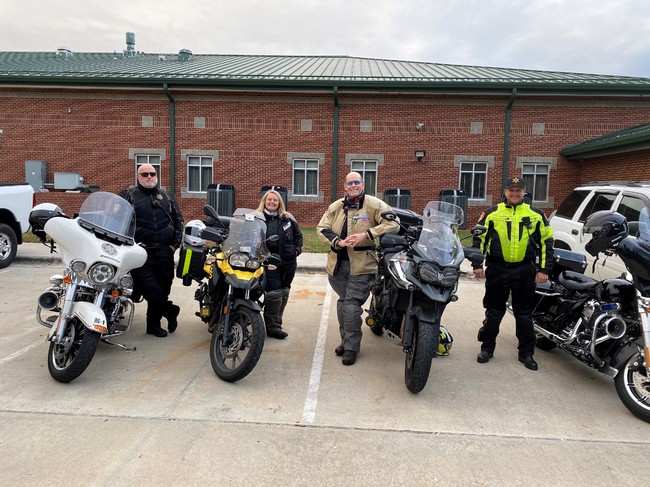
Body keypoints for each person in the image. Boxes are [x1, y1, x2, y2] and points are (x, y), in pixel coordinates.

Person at [471, 176, 554, 370]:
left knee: (524, 314)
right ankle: (487, 348)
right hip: (497, 268)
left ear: (524, 192)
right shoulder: (492, 213)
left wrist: (544, 269)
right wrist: (477, 264)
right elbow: (478, 239)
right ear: (505, 192)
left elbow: (546, 243)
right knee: (494, 312)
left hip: (524, 270)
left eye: (518, 190)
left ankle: (526, 353)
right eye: (511, 190)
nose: (515, 194)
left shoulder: (536, 214)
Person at [317, 172, 400, 365]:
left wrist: (368, 234)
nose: (353, 186)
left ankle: (351, 348)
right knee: (343, 303)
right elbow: (322, 229)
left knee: (351, 305)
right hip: (338, 265)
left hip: (362, 265)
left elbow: (394, 223)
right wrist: (337, 241)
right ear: (345, 186)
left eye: (357, 182)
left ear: (362, 185)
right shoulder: (336, 206)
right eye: (350, 183)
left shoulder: (374, 204)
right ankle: (345, 341)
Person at [120, 164, 184, 338]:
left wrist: (174, 245)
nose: (149, 177)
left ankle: (153, 326)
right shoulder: (129, 196)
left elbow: (179, 221)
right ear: (138, 177)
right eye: (145, 174)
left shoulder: (167, 197)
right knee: (150, 289)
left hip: (165, 251)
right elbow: (118, 220)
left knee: (163, 289)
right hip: (141, 252)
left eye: (152, 173)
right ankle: (170, 311)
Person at [257, 189, 303, 339]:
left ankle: (277, 322)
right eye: (269, 199)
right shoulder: (258, 218)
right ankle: (273, 328)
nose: (272, 202)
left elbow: (298, 236)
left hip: (288, 262)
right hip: (268, 262)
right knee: (274, 294)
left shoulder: (288, 218)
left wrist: (296, 250)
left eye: (275, 200)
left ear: (279, 203)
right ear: (264, 201)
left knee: (284, 292)